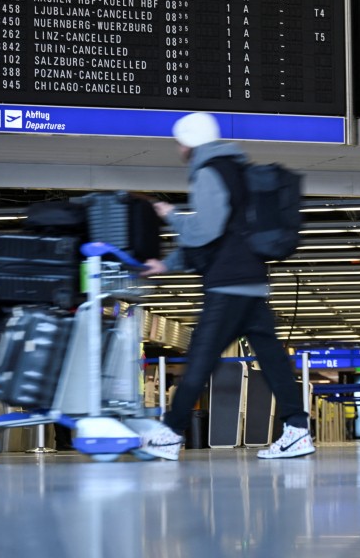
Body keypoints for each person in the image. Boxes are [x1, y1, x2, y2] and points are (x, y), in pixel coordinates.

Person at [138, 112, 314, 460]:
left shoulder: (208, 171)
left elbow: (207, 231)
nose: (178, 148)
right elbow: (224, 235)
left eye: (179, 141)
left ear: (189, 141)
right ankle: (297, 429)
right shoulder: (239, 170)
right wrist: (168, 264)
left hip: (228, 285)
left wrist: (171, 215)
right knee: (273, 360)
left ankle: (170, 433)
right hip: (251, 279)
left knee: (202, 358)